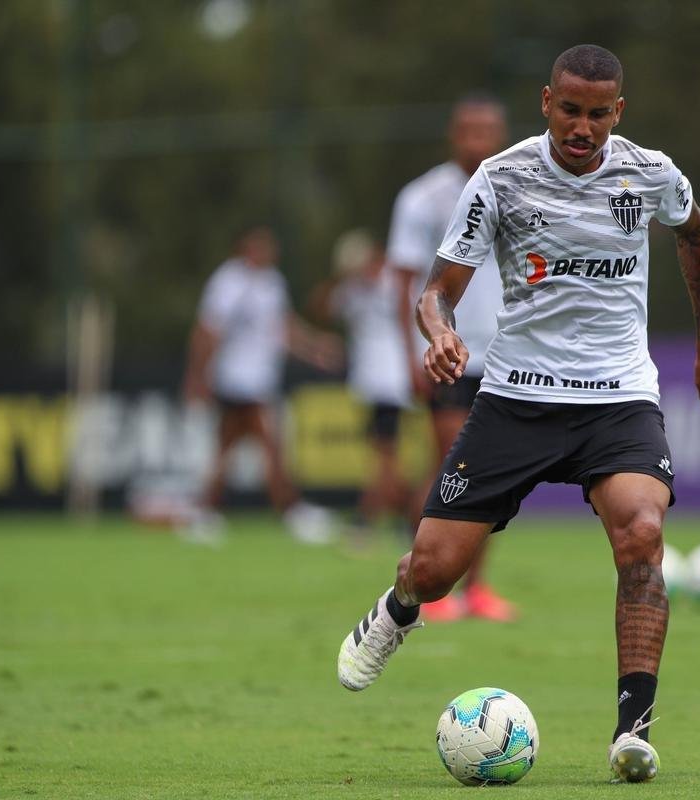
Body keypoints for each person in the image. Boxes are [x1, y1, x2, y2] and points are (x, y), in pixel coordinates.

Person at [336, 44, 700, 781]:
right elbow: (434, 291)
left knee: (643, 534)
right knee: (434, 571)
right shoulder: (501, 179)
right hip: (517, 396)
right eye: (569, 111)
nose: (581, 128)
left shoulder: (649, 172)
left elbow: (694, 233)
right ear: (546, 101)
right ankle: (397, 608)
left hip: (618, 397)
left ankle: (632, 731)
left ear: (617, 113)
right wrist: (440, 335)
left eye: (597, 115)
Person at [385, 93, 516, 622]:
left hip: (508, 354)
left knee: (494, 477)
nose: (478, 138)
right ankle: (428, 583)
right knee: (453, 466)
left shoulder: (520, 188)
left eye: (488, 129)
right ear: (454, 133)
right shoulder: (422, 198)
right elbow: (403, 284)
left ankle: (476, 588)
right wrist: (410, 353)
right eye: (469, 129)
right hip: (448, 351)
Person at [183, 225, 342, 544]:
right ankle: (291, 509)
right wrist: (197, 376)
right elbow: (207, 331)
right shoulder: (229, 281)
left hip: (261, 377)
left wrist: (316, 348)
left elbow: (283, 329)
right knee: (270, 444)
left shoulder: (272, 283)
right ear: (246, 249)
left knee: (228, 447)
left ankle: (203, 510)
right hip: (236, 377)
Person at [320, 229, 413, 535]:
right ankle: (403, 515)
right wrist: (341, 275)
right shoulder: (351, 290)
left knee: (384, 452)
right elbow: (320, 307)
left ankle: (368, 515)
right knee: (386, 453)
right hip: (370, 379)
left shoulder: (392, 281)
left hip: (391, 378)